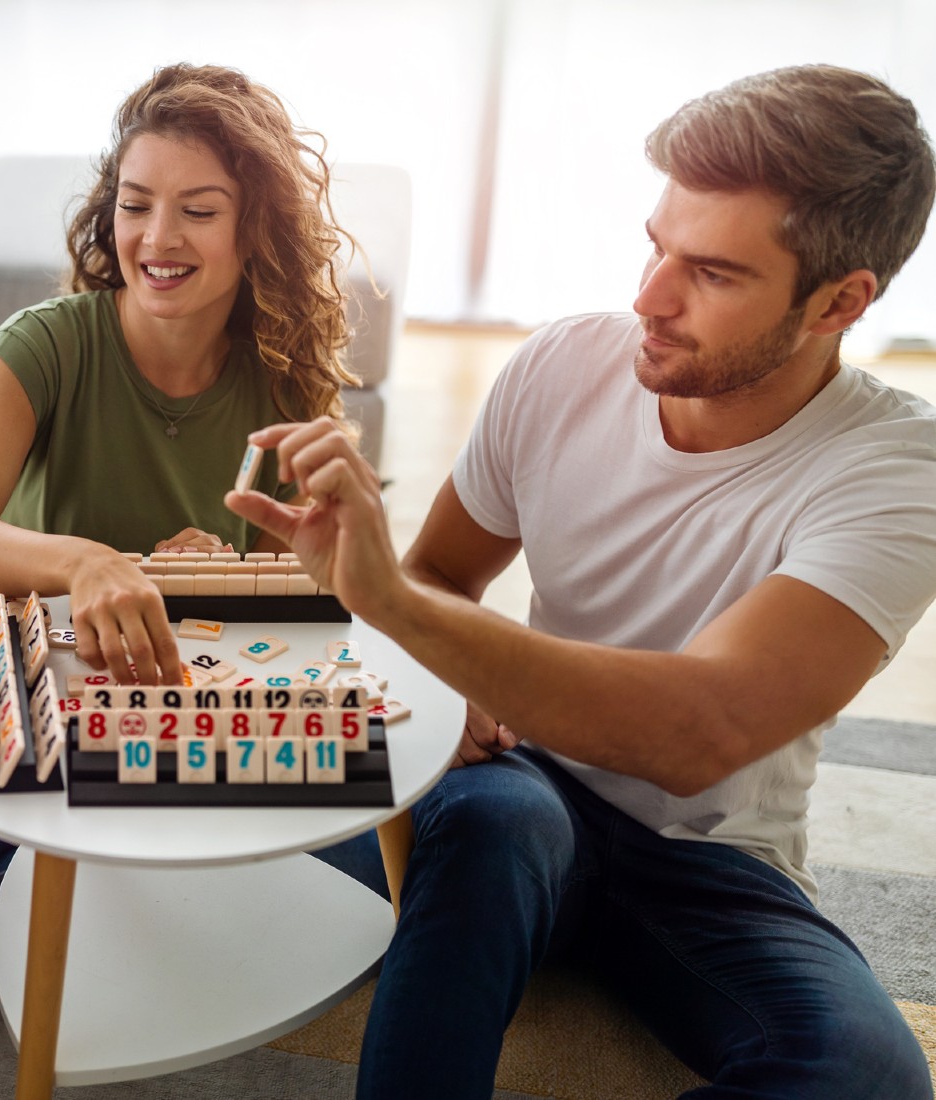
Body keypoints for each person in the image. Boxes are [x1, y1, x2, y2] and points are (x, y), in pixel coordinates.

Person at [228, 64, 936, 1099]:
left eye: (713, 273)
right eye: (656, 245)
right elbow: (441, 572)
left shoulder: (896, 473)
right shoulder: (561, 367)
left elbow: (699, 735)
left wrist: (394, 602)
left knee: (869, 1074)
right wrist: (434, 656)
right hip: (523, 782)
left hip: (714, 861)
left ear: (842, 301)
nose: (648, 296)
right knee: (488, 821)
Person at [0, 61, 387, 979]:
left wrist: (207, 571)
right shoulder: (44, 346)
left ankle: (117, 871)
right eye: (136, 204)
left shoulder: (286, 378)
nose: (158, 237)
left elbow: (297, 604)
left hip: (170, 717)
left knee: (386, 848)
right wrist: (92, 561)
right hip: (29, 700)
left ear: (254, 228)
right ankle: (37, 854)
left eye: (199, 210)